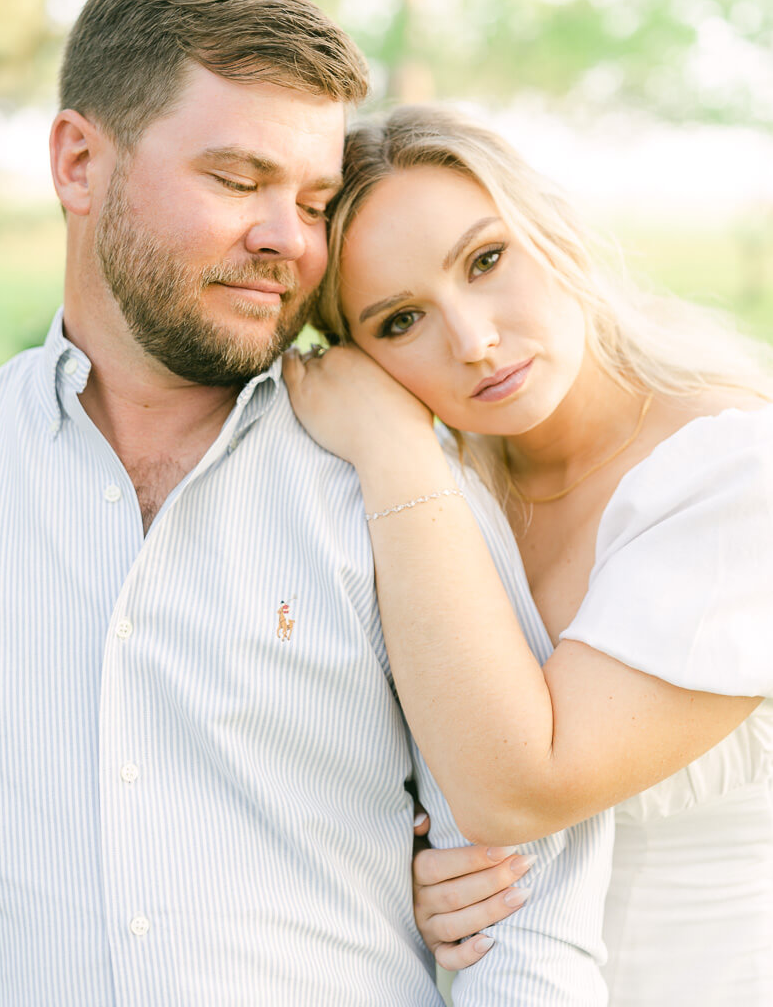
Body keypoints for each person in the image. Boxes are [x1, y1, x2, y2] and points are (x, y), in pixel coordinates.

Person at [0, 0, 614, 1006]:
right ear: (79, 164)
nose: (286, 241)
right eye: (237, 181)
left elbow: (531, 922)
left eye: (316, 202)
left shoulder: (399, 483)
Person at [284, 103, 773, 1005]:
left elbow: (521, 787)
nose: (474, 342)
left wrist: (389, 445)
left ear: (549, 229)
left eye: (485, 260)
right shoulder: (446, 501)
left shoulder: (737, 478)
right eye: (400, 322)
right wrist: (429, 879)